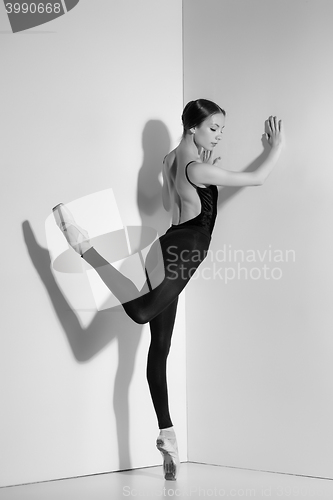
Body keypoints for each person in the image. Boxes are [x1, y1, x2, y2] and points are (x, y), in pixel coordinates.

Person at [52, 99, 284, 480]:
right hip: (188, 246)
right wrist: (273, 149)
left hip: (165, 244)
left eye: (221, 129)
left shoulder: (170, 161)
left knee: (160, 348)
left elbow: (165, 203)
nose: (219, 135)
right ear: (193, 128)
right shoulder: (200, 167)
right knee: (141, 312)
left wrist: (199, 177)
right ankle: (84, 245)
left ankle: (168, 436)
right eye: (213, 128)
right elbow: (255, 178)